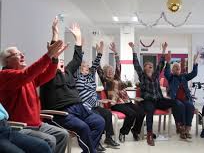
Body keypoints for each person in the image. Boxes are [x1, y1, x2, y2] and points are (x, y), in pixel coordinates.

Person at [0, 18, 69, 153]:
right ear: (7, 61)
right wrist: (49, 55)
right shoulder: (5, 75)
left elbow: (47, 75)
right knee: (50, 140)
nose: (21, 55)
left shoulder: (26, 76)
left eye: (22, 53)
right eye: (17, 54)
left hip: (37, 124)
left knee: (63, 135)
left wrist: (54, 58)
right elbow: (26, 75)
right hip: (21, 126)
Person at [40, 22, 105, 153]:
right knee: (84, 128)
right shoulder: (47, 76)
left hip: (80, 109)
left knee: (99, 122)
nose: (61, 62)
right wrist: (55, 34)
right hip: (61, 113)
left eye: (63, 61)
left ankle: (88, 150)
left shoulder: (68, 72)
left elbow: (77, 59)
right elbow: (52, 57)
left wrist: (79, 39)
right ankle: (91, 151)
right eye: (59, 61)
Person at [129, 42, 176, 146]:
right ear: (144, 69)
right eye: (148, 66)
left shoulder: (155, 75)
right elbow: (136, 64)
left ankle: (180, 125)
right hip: (148, 100)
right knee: (149, 111)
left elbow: (161, 63)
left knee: (175, 102)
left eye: (151, 66)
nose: (150, 67)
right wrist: (133, 49)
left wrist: (163, 50)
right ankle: (149, 135)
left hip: (158, 100)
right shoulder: (142, 76)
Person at [74, 41, 120, 148]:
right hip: (85, 107)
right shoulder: (77, 77)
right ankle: (96, 141)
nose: (87, 67)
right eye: (84, 66)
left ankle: (108, 138)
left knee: (107, 114)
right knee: (99, 118)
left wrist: (99, 53)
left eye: (87, 66)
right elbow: (76, 63)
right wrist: (81, 48)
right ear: (80, 68)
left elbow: (95, 66)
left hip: (95, 105)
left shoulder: (90, 76)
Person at [97, 42, 145, 143]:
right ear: (105, 73)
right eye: (108, 71)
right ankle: (123, 132)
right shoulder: (105, 80)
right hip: (116, 103)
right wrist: (99, 53)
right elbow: (98, 69)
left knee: (141, 112)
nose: (110, 72)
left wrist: (115, 53)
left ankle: (135, 131)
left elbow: (118, 66)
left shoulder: (117, 77)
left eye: (111, 70)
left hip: (126, 101)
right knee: (131, 114)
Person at [164, 51, 198, 139]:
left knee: (190, 105)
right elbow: (166, 73)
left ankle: (187, 129)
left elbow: (194, 74)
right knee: (180, 106)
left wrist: (195, 62)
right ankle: (181, 128)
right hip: (176, 100)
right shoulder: (171, 77)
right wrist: (168, 62)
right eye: (175, 67)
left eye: (178, 67)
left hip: (185, 99)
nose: (177, 68)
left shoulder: (184, 76)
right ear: (172, 70)